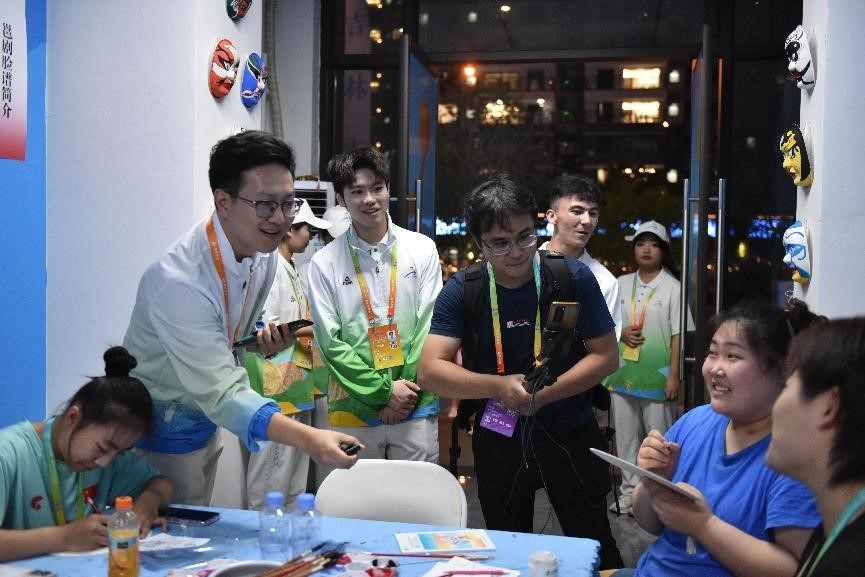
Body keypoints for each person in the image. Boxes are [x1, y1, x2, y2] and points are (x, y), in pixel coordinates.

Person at [123, 130, 359, 505]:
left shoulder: (261, 256)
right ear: (224, 202)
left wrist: (257, 343)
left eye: (288, 204)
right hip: (162, 430)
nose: (279, 219)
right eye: (265, 205)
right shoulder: (180, 281)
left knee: (200, 519)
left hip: (204, 419)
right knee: (173, 530)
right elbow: (222, 391)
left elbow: (229, 341)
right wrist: (311, 439)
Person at [419, 174, 624, 569]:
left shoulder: (571, 277)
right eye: (500, 242)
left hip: (569, 430)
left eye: (525, 237)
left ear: (537, 227)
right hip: (501, 435)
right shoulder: (464, 289)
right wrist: (498, 386)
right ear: (478, 243)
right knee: (507, 548)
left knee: (596, 547)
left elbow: (606, 357)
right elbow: (429, 370)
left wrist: (543, 396)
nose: (516, 252)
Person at [620, 299, 823, 577]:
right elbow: (650, 524)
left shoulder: (794, 456)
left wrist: (704, 526)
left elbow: (795, 570)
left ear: (783, 369)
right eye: (713, 353)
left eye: (733, 356)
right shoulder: (696, 420)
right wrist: (653, 481)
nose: (714, 368)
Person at [307, 146, 442, 461]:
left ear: (387, 190)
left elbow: (429, 324)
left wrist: (404, 391)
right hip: (354, 408)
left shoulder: (422, 249)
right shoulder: (324, 262)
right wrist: (384, 392)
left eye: (377, 188)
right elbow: (329, 342)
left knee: (417, 492)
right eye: (357, 191)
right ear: (341, 199)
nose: (369, 199)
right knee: (358, 492)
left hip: (415, 403)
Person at [0, 347, 173, 561]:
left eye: (119, 453)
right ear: (73, 417)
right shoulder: (9, 453)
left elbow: (161, 483)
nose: (104, 462)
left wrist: (148, 502)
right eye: (103, 448)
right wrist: (63, 538)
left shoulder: (105, 460)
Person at [244, 199, 332, 509]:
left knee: (294, 473)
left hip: (296, 382)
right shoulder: (270, 268)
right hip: (275, 385)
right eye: (309, 230)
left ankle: (293, 528)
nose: (311, 237)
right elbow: (267, 329)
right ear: (291, 230)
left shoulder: (290, 267)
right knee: (272, 469)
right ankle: (263, 528)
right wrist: (319, 331)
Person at [766, 317, 865, 577]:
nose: (774, 406)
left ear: (828, 407)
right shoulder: (834, 528)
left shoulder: (852, 564)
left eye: (786, 386)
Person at [604, 220, 686, 515]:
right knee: (626, 441)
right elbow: (607, 323)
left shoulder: (673, 288)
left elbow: (678, 335)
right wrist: (622, 333)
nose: (646, 249)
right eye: (641, 244)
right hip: (623, 374)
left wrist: (674, 375)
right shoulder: (621, 283)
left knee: (659, 442)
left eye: (653, 244)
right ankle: (628, 495)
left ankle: (656, 499)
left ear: (663, 251)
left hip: (658, 378)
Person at [540, 174, 621, 337]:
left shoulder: (605, 282)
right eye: (577, 211)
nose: (586, 221)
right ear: (552, 216)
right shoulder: (525, 265)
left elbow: (607, 349)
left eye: (593, 213)